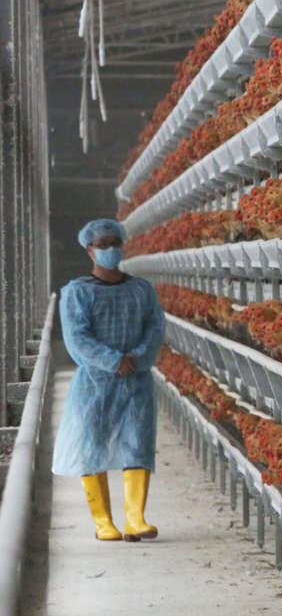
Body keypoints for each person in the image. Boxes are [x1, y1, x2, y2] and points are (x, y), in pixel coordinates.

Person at [51, 219, 165, 542]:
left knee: (138, 444)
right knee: (92, 445)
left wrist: (137, 358)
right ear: (89, 250)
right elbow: (77, 339)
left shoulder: (141, 290)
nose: (110, 249)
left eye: (115, 243)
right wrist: (114, 361)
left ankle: (135, 519)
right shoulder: (77, 293)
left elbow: (155, 328)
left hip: (136, 380)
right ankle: (103, 523)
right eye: (103, 245)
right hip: (95, 384)